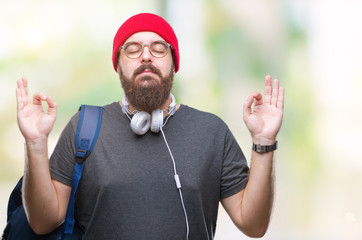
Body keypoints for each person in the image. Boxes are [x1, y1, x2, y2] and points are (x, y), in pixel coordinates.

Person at [15, 13, 284, 239]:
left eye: (158, 48)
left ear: (173, 63)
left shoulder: (211, 131)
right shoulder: (83, 127)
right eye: (132, 49)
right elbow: (43, 222)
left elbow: (254, 225)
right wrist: (35, 143)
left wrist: (264, 140)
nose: (146, 56)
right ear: (118, 65)